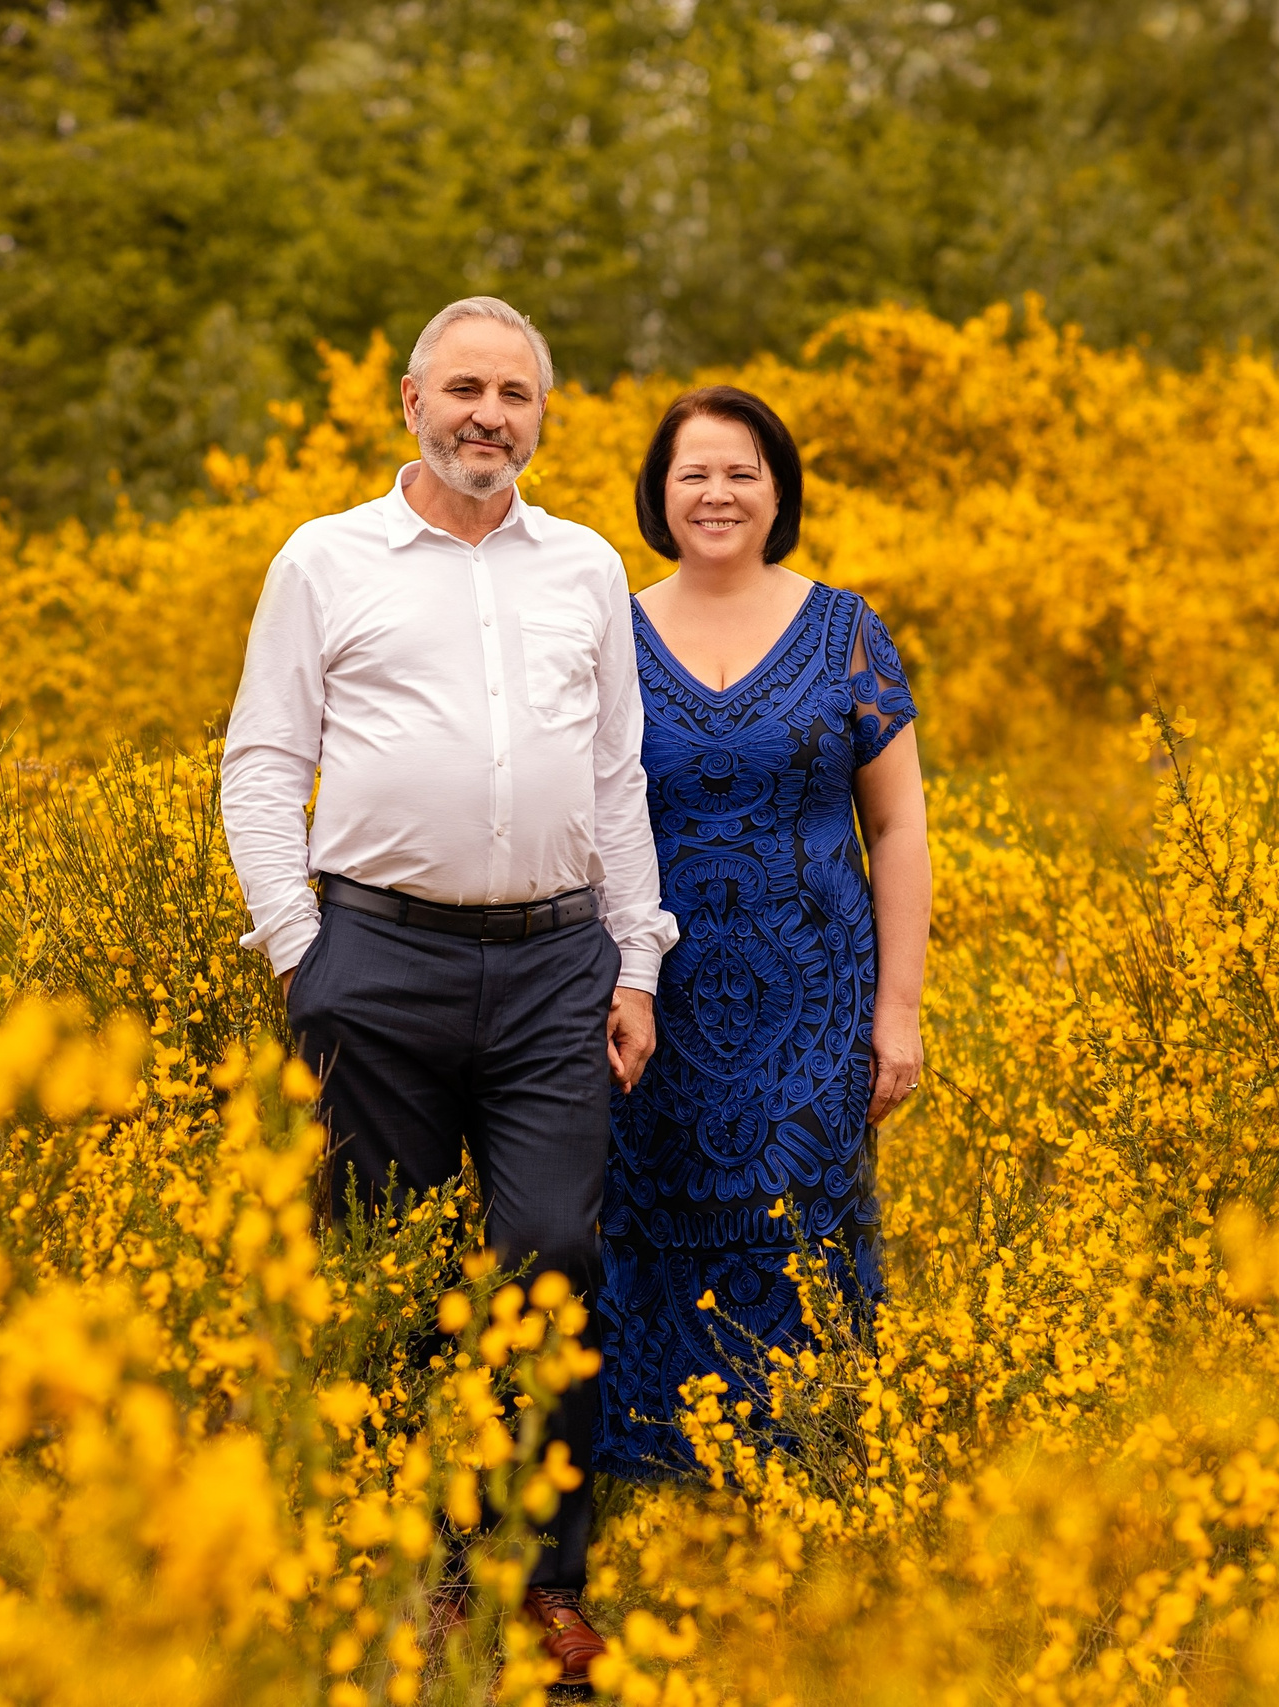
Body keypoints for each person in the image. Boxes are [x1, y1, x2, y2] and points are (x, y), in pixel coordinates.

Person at [219, 296, 678, 1684]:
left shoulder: (586, 566)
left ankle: (545, 1578)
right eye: (465, 388)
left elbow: (614, 779)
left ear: (545, 416)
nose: (490, 414)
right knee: (394, 1276)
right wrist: (301, 949)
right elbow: (259, 760)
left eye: (517, 394)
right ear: (410, 402)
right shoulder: (324, 558)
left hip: (555, 966)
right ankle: (416, 1566)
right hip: (378, 961)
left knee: (555, 1259)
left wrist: (636, 956)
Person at [598, 385, 931, 1477]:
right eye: (693, 472)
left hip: (814, 1016)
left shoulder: (845, 631)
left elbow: (896, 829)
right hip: (654, 1006)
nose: (717, 492)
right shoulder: (613, 629)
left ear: (778, 488)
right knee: (646, 1248)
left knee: (807, 1247)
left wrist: (896, 1015)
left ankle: (817, 1496)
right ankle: (663, 1509)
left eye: (742, 471)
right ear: (658, 493)